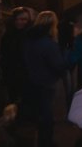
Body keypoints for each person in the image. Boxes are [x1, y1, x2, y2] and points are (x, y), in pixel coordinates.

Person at [23, 11, 66, 147]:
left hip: (33, 79)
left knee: (41, 111)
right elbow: (58, 65)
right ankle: (46, 141)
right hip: (47, 82)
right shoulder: (48, 44)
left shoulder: (29, 39)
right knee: (47, 114)